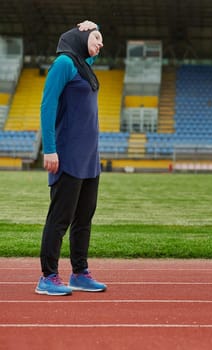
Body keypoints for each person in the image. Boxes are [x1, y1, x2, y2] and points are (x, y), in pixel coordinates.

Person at [35, 20, 107, 296]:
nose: (101, 43)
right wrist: (49, 149)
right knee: (60, 218)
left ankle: (79, 273)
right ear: (81, 37)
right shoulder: (64, 63)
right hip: (67, 155)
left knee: (84, 218)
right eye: (97, 37)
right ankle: (48, 276)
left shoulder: (84, 67)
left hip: (90, 158)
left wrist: (93, 26)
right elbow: (47, 105)